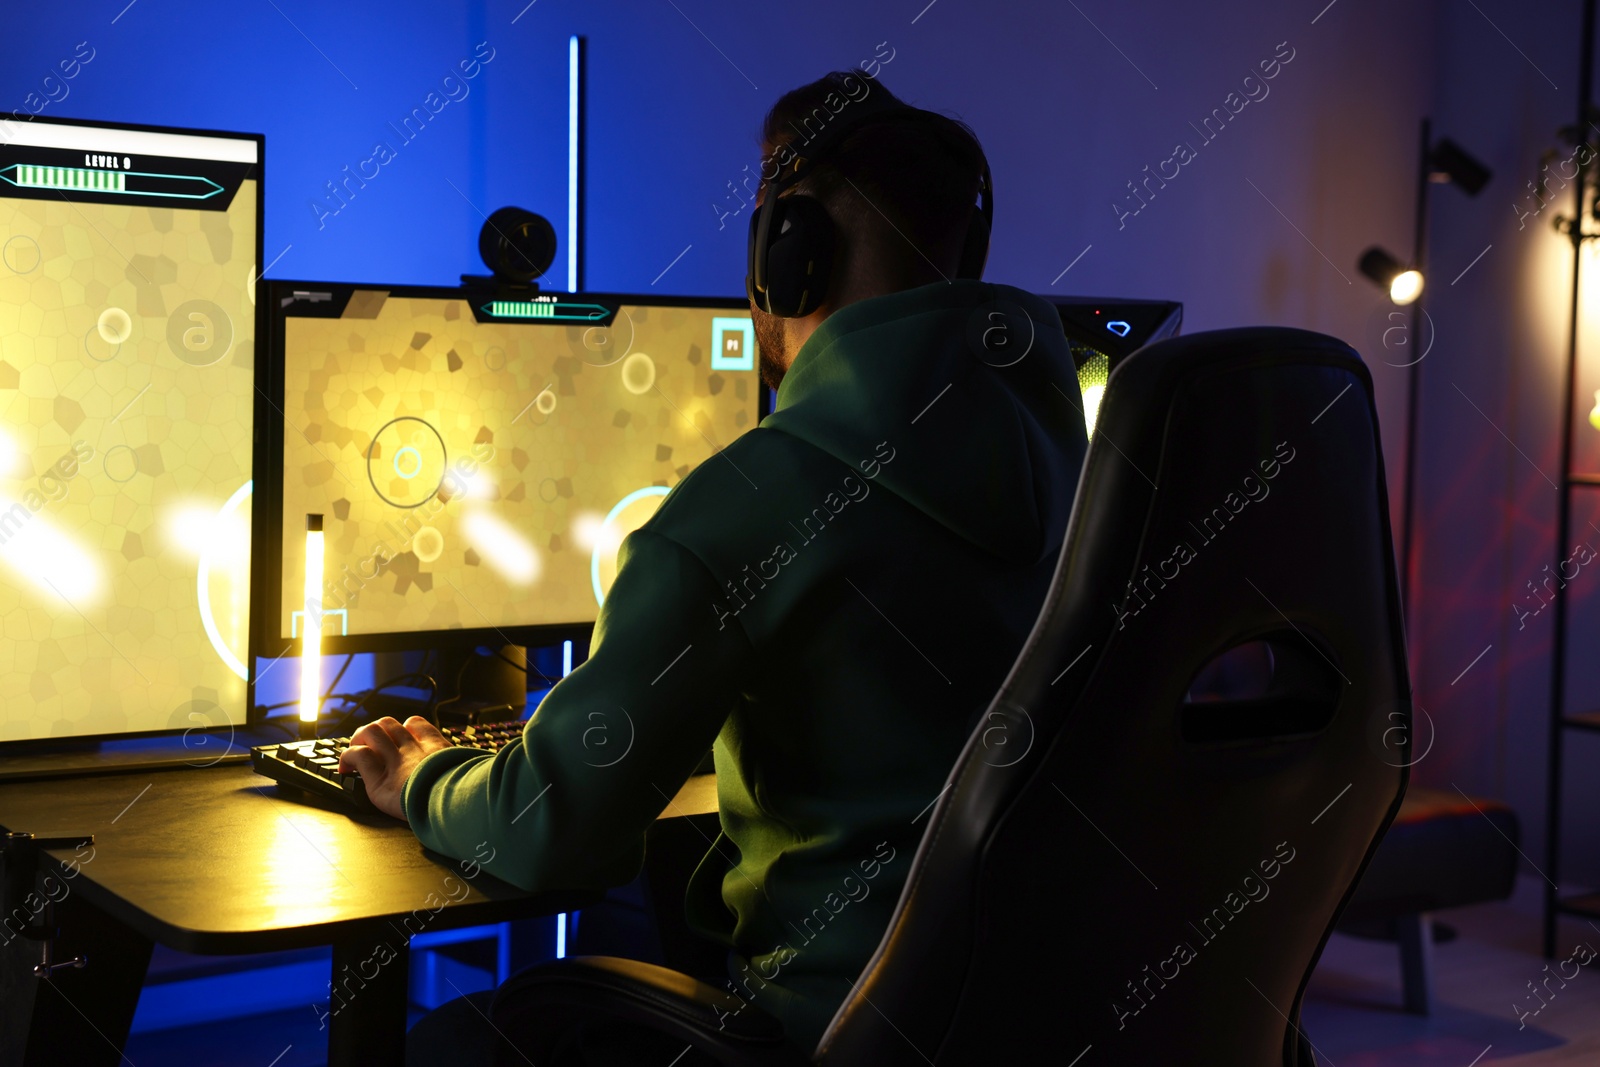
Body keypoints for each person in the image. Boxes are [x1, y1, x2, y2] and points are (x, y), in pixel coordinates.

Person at [344, 70, 1089, 1064]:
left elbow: (551, 824)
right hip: (1070, 1019)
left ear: (790, 253)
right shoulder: (1095, 470)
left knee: (456, 1044)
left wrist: (425, 772)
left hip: (844, 1026)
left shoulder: (757, 497)